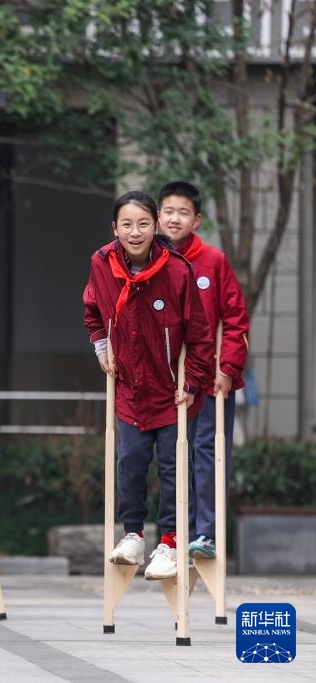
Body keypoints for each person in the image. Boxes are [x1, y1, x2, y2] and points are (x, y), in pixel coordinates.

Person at [83, 191, 213, 580]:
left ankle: (170, 542)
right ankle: (133, 535)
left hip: (173, 391)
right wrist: (101, 347)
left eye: (143, 223)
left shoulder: (176, 270)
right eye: (126, 224)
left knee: (173, 467)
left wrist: (193, 381)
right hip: (130, 389)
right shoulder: (101, 263)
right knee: (130, 462)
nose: (135, 232)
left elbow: (200, 334)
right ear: (114, 228)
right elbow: (93, 310)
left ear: (155, 226)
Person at [157, 181, 249, 560]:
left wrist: (227, 368)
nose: (174, 219)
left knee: (208, 451)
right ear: (158, 217)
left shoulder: (213, 261)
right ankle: (174, 533)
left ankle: (206, 533)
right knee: (173, 455)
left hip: (210, 381)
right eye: (168, 212)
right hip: (169, 383)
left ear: (196, 220)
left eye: (183, 213)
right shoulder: (150, 261)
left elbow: (236, 319)